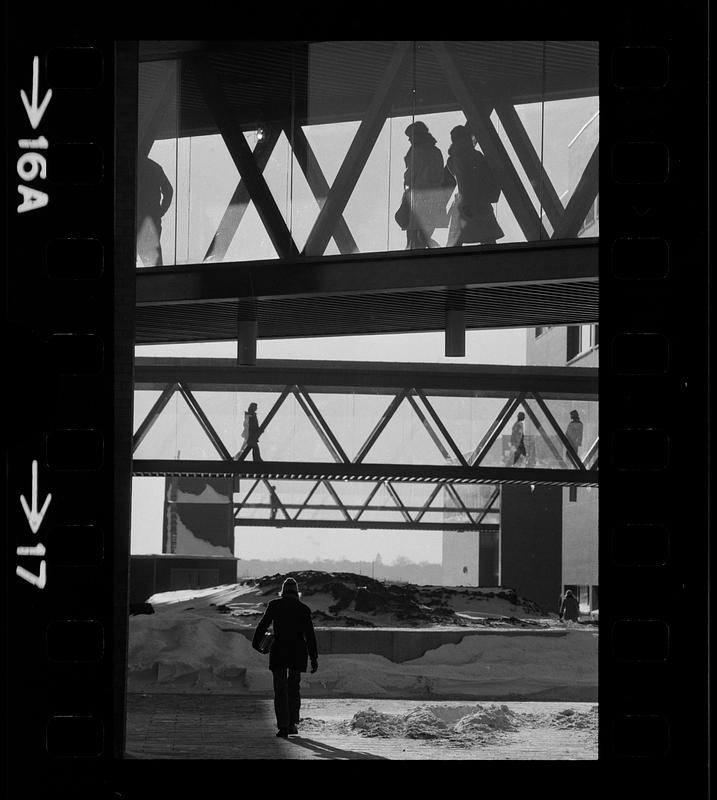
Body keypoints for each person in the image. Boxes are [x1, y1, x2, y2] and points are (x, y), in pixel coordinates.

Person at [252, 577, 318, 738]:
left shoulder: (275, 606)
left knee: (280, 690)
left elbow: (263, 624)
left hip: (279, 652)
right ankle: (292, 723)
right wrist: (314, 658)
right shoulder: (303, 609)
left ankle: (282, 727)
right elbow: (310, 635)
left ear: (283, 591)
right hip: (297, 653)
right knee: (294, 688)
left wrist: (256, 643)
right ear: (296, 592)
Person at [446, 125, 504, 247]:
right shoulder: (476, 156)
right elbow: (486, 175)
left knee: (458, 240)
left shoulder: (453, 159)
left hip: (464, 202)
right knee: (487, 238)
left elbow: (461, 179)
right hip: (479, 200)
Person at [399, 121, 446, 250]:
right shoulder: (436, 151)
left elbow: (410, 175)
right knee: (422, 234)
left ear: (417, 135)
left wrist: (407, 185)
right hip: (434, 197)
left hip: (418, 197)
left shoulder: (417, 152)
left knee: (414, 236)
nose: (409, 139)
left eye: (410, 136)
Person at [136, 155, 174, 266]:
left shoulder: (134, 168)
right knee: (154, 264)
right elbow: (169, 190)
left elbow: (168, 190)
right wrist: (161, 211)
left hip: (137, 219)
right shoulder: (154, 167)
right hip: (152, 220)